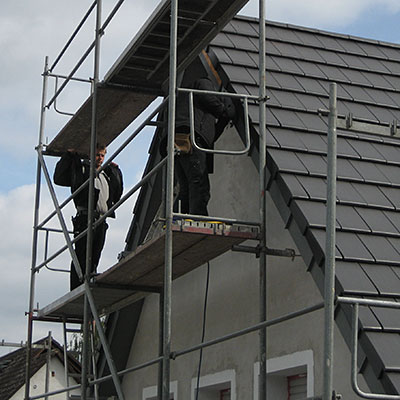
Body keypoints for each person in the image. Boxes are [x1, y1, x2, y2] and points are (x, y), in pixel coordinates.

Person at [161, 73, 236, 216]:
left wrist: (224, 118)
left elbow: (210, 137)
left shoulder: (192, 108)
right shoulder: (204, 82)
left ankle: (183, 217)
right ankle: (198, 220)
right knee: (199, 184)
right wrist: (224, 110)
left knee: (187, 187)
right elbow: (206, 96)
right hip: (190, 138)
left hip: (177, 140)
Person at [54, 144, 123, 290]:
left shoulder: (107, 173)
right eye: (97, 155)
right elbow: (59, 178)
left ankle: (89, 284)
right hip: (85, 218)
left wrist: (116, 170)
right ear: (91, 155)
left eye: (103, 155)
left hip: (101, 219)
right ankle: (78, 288)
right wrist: (69, 156)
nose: (100, 158)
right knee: (81, 256)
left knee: (95, 255)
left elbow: (118, 191)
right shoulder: (82, 169)